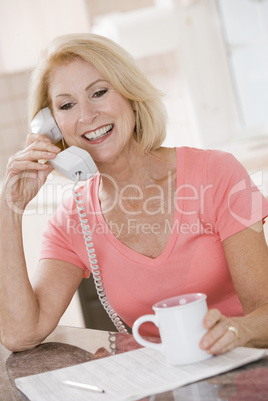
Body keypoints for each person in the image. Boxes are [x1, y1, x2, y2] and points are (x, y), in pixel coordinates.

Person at [1, 33, 268, 355]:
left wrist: (238, 332)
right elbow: (20, 334)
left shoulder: (217, 172)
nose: (86, 116)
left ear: (129, 94)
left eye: (99, 93)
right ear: (51, 126)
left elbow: (263, 309)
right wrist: (9, 208)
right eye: (67, 105)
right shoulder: (72, 220)